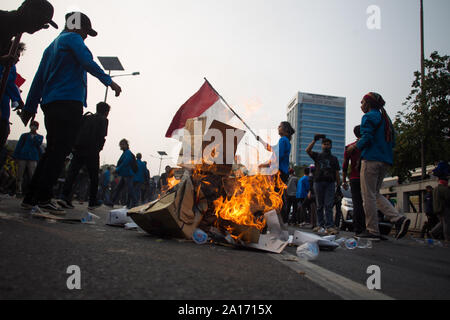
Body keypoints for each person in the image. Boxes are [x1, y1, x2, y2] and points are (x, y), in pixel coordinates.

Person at [19, 12, 122, 213]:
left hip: (50, 103)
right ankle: (43, 198)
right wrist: (109, 81)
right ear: (75, 26)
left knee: (52, 151)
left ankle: (31, 197)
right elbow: (87, 62)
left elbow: (39, 78)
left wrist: (30, 107)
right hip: (68, 102)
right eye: (85, 32)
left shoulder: (51, 46)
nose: (85, 37)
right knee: (60, 150)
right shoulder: (72, 38)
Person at [347, 92, 410, 241]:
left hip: (371, 159)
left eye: (362, 102)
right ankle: (398, 219)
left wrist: (354, 147)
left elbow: (367, 138)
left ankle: (373, 231)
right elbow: (392, 142)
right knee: (375, 193)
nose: (361, 105)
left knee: (367, 195)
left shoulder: (368, 117)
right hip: (385, 160)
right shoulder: (385, 119)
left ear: (368, 104)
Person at [57, 102, 110, 210]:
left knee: (72, 174)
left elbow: (77, 130)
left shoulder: (86, 117)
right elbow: (102, 136)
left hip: (79, 148)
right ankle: (92, 202)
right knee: (94, 177)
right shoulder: (104, 120)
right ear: (106, 111)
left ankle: (64, 196)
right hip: (92, 150)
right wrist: (99, 148)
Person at [0, 0, 58, 67]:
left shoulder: (9, 29)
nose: (41, 27)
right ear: (30, 14)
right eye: (41, 21)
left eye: (45, 24)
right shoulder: (3, 22)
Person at [306, 136, 341, 235]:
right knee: (319, 205)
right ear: (322, 146)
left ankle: (329, 226)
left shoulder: (334, 159)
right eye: (324, 144)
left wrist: (339, 185)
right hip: (318, 182)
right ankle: (320, 225)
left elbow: (337, 173)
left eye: (328, 144)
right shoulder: (318, 156)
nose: (326, 146)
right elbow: (307, 150)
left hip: (330, 183)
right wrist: (314, 140)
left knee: (328, 205)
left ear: (331, 146)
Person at [342, 125, 366, 235]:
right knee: (368, 202)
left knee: (357, 203)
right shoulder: (366, 145)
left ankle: (358, 228)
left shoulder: (349, 147)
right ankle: (366, 227)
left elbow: (345, 165)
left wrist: (344, 180)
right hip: (365, 176)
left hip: (354, 178)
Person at [13, 120, 43, 197]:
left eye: (35, 126)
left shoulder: (39, 137)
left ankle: (31, 192)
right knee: (20, 175)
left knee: (32, 175)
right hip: (22, 156)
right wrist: (15, 156)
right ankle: (18, 190)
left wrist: (34, 137)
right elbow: (19, 146)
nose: (33, 127)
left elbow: (38, 145)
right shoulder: (24, 136)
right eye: (32, 125)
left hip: (33, 157)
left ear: (37, 128)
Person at [107, 139, 136, 209]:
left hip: (128, 174)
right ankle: (112, 202)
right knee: (118, 188)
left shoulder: (128, 153)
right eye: (120, 145)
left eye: (122, 145)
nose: (121, 146)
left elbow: (125, 163)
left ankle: (135, 203)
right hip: (125, 174)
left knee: (130, 189)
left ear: (126, 145)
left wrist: (117, 169)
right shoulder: (125, 152)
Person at [430, 162, 450, 243]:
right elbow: (448, 198)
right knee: (446, 223)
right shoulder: (444, 189)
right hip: (444, 208)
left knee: (442, 222)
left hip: (437, 209)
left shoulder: (435, 189)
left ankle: (433, 232)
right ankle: (447, 238)